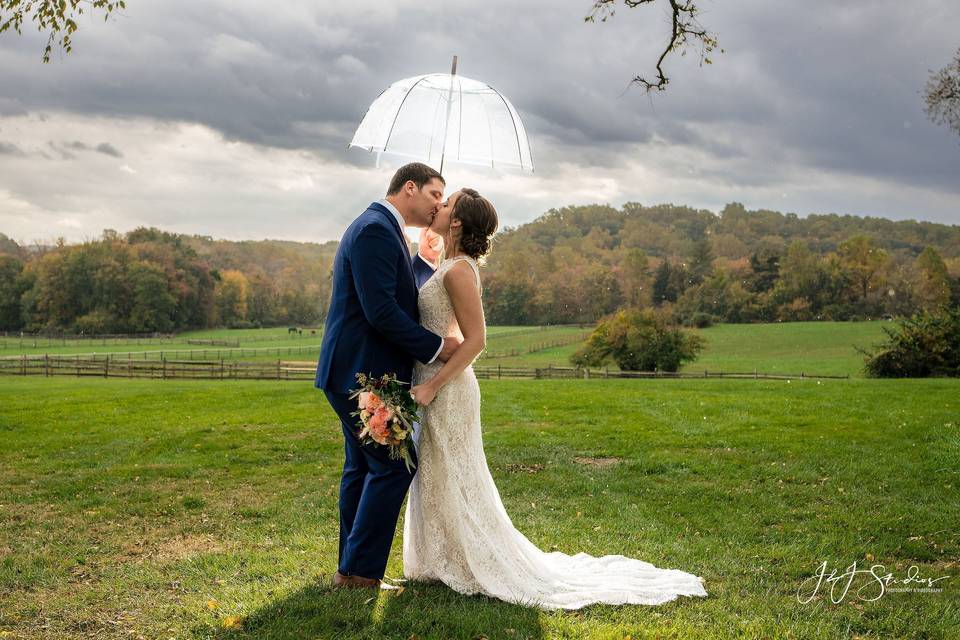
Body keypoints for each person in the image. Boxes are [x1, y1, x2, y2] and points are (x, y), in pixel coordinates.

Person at [404, 188, 708, 609]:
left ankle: (471, 560)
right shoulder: (450, 264)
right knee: (439, 472)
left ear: (456, 221)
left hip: (448, 387)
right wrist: (427, 256)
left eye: (447, 203)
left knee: (458, 474)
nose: (438, 206)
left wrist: (433, 386)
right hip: (436, 377)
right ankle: (444, 558)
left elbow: (477, 341)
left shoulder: (458, 271)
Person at [315, 162, 461, 588]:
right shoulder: (377, 229)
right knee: (394, 467)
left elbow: (394, 290)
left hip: (354, 369)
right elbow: (380, 311)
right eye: (436, 194)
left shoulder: (382, 227)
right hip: (362, 374)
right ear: (410, 187)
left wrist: (422, 261)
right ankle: (359, 573)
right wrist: (436, 347)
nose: (439, 204)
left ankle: (350, 568)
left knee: (362, 468)